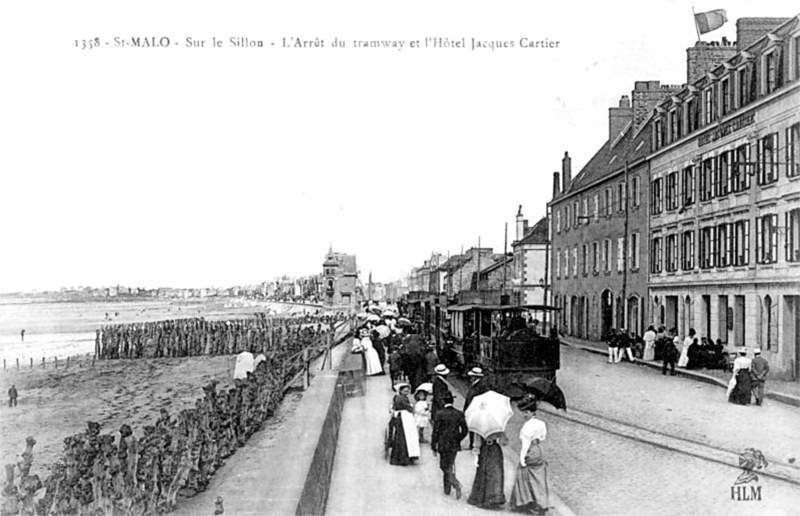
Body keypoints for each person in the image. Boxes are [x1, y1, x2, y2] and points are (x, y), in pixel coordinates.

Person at [510, 396, 550, 515]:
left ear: (531, 412)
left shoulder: (527, 426)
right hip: (539, 449)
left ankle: (525, 501)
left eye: (526, 412)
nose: (524, 415)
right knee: (539, 476)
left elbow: (525, 444)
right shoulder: (541, 423)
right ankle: (542, 502)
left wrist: (522, 458)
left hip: (530, 450)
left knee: (523, 473)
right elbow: (543, 437)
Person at [431, 391, 469, 499]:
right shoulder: (459, 413)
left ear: (443, 401)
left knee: (443, 465)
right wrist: (458, 438)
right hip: (454, 444)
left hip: (443, 443)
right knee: (450, 464)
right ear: (452, 401)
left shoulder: (439, 413)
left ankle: (454, 484)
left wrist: (434, 445)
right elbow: (465, 430)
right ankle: (448, 487)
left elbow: (436, 431)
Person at [468, 430, 507, 509]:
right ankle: (482, 498)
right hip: (484, 449)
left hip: (495, 449)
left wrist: (501, 436)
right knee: (483, 472)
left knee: (496, 473)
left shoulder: (497, 426)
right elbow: (477, 441)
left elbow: (504, 441)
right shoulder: (480, 425)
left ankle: (494, 498)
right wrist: (476, 454)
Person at [387, 383, 421, 465]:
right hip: (404, 418)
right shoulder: (401, 398)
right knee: (405, 437)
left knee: (403, 437)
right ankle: (403, 458)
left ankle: (403, 457)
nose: (407, 392)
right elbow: (409, 408)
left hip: (402, 417)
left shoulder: (398, 397)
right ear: (400, 391)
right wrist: (411, 407)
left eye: (407, 390)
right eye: (405, 391)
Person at [464, 367, 491, 449]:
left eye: (472, 376)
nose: (470, 378)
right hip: (471, 409)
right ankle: (472, 443)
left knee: (478, 428)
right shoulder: (475, 385)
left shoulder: (481, 386)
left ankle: (478, 444)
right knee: (472, 427)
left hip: (476, 410)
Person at [431, 364, 452, 434]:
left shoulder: (438, 381)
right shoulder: (439, 383)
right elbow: (438, 397)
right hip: (438, 407)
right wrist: (444, 407)